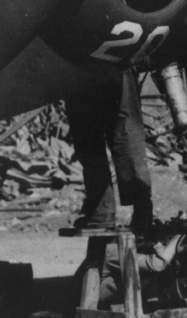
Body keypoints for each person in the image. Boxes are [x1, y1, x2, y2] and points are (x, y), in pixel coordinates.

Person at [65, 69, 154, 233]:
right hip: (117, 64)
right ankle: (141, 212)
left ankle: (103, 212)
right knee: (125, 134)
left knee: (91, 138)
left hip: (82, 66)